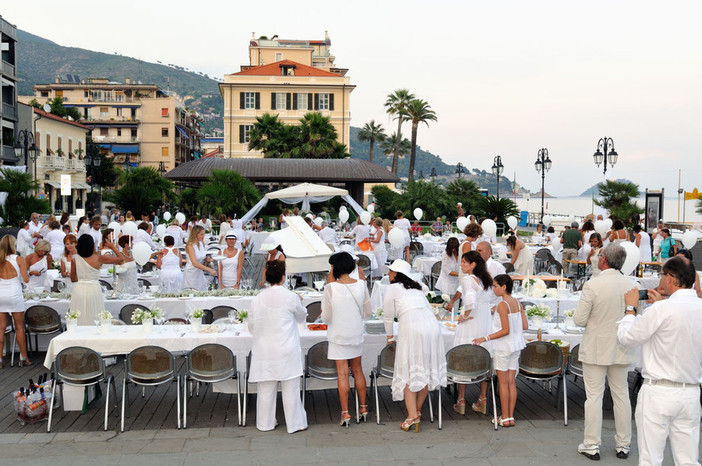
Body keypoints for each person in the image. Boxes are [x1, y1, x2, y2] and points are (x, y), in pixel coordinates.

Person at [618, 257, 702, 466]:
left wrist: (630, 310)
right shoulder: (690, 307)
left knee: (651, 459)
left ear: (670, 277)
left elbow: (627, 338)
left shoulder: (661, 310)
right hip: (690, 390)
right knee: (688, 459)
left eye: (662, 275)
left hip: (659, 391)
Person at [573, 243, 636, 460]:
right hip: (621, 345)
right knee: (621, 396)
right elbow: (635, 316)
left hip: (596, 347)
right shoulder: (631, 284)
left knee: (594, 398)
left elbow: (579, 320)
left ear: (604, 260)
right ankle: (623, 444)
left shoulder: (593, 285)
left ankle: (591, 445)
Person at [383, 259, 446, 432]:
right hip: (431, 326)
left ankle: (412, 416)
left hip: (412, 328)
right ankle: (416, 411)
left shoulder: (392, 288)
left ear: (396, 274)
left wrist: (390, 337)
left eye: (390, 271)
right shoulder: (417, 288)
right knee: (423, 369)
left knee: (409, 371)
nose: (388, 274)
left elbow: (388, 316)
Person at [248, 260, 308, 433]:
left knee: (266, 388)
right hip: (286, 347)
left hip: (264, 348)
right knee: (291, 388)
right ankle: (295, 424)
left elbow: (252, 326)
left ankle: (265, 423)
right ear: (283, 277)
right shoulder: (291, 296)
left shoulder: (257, 299)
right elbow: (301, 315)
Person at [321, 252, 372, 426]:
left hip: (338, 335)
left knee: (342, 373)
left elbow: (326, 318)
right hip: (355, 333)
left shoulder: (330, 288)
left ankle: (345, 413)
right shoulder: (362, 285)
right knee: (358, 370)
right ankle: (363, 407)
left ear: (335, 267)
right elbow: (368, 313)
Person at [472, 274, 527, 427]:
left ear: (504, 287)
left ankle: (504, 416)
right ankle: (509, 417)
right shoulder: (517, 302)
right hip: (516, 346)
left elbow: (505, 330)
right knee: (511, 382)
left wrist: (485, 338)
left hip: (503, 346)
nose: (494, 288)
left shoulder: (503, 305)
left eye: (496, 286)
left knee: (503, 383)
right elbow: (525, 325)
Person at [445, 251, 493, 415]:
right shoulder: (484, 280)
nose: (461, 265)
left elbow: (470, 301)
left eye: (464, 262)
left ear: (473, 265)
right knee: (483, 360)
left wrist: (464, 315)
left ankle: (461, 400)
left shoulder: (467, 280)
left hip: (470, 325)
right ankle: (482, 398)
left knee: (463, 361)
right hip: (484, 325)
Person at [70, 235, 123, 325]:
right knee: (95, 314)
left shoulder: (75, 259)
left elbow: (73, 279)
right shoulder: (98, 258)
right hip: (93, 288)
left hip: (79, 289)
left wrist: (83, 275)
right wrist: (113, 247)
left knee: (80, 315)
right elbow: (121, 259)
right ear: (92, 246)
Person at [0, 235, 30, 367]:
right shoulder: (19, 259)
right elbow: (26, 279)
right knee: (19, 327)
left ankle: (0, 359)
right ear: (14, 245)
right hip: (14, 293)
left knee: (0, 329)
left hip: (1, 293)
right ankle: (23, 358)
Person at [183, 226, 216, 291]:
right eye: (201, 234)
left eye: (204, 234)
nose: (203, 236)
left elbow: (202, 260)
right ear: (195, 234)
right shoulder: (190, 245)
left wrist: (207, 260)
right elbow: (195, 263)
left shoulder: (201, 244)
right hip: (191, 273)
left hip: (199, 272)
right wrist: (209, 269)